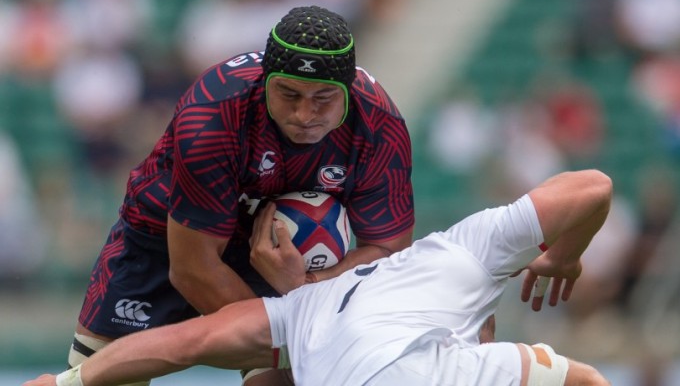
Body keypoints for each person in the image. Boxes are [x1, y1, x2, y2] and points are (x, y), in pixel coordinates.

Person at [66, 5, 415, 386]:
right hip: (164, 237)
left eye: (323, 98)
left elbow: (387, 252)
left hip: (282, 262)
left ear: (348, 91)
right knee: (102, 380)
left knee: (281, 379)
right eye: (289, 94)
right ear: (265, 82)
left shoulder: (379, 123)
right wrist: (288, 334)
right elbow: (192, 269)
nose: (304, 114)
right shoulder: (213, 114)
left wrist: (307, 288)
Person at [25, 169, 613, 386]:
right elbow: (593, 187)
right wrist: (565, 254)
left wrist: (66, 383)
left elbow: (185, 342)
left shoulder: (297, 314)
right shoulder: (459, 257)